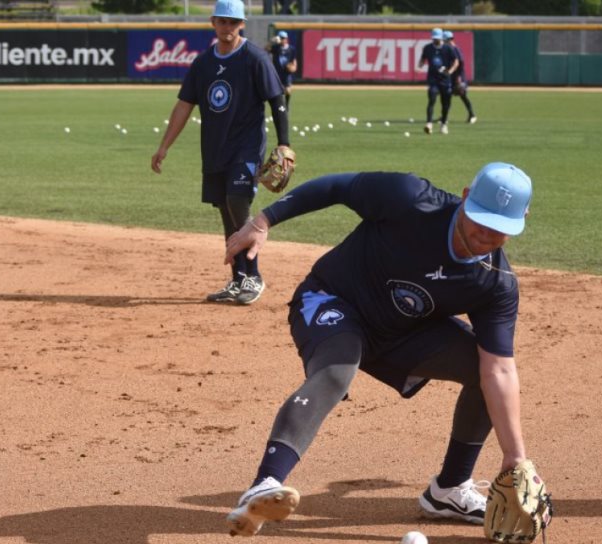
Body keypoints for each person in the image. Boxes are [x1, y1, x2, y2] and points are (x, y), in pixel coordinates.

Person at [221, 163, 541, 538]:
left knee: (481, 371)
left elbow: (499, 370)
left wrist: (514, 457)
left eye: (500, 227)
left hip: (403, 333)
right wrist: (262, 222)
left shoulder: (496, 283)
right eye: (480, 219)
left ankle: (450, 489)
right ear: (467, 197)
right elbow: (336, 185)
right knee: (337, 370)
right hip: (334, 301)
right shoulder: (410, 199)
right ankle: (265, 484)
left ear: (522, 220)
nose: (486, 233)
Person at [151, 0, 292, 305]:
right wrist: (164, 147)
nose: (227, 28)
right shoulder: (202, 64)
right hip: (215, 149)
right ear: (213, 23)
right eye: (222, 22)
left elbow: (277, 99)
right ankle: (238, 278)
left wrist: (284, 143)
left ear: (241, 24)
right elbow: (184, 106)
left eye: (233, 22)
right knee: (226, 212)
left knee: (237, 201)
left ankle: (254, 275)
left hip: (247, 145)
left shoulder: (254, 57)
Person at [418, 28, 459, 136]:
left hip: (445, 80)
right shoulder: (428, 48)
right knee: (431, 99)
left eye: (437, 38)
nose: (435, 40)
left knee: (445, 104)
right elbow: (423, 58)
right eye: (434, 38)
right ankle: (429, 124)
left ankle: (444, 124)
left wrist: (450, 71)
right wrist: (420, 65)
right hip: (433, 79)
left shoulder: (448, 48)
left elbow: (456, 61)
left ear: (441, 38)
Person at [443, 30, 477, 124]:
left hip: (458, 76)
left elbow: (460, 63)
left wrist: (458, 77)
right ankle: (444, 117)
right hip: (452, 76)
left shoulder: (454, 49)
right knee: (447, 96)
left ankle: (472, 115)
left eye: (444, 40)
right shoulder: (449, 49)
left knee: (463, 95)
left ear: (447, 40)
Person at [268, 31, 297, 109]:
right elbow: (265, 49)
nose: (282, 39)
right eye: (281, 38)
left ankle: (286, 105)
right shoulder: (275, 47)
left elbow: (294, 60)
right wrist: (271, 42)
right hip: (277, 72)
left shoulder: (291, 49)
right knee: (278, 91)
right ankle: (280, 106)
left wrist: (294, 67)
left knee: (287, 90)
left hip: (286, 73)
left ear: (286, 39)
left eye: (283, 38)